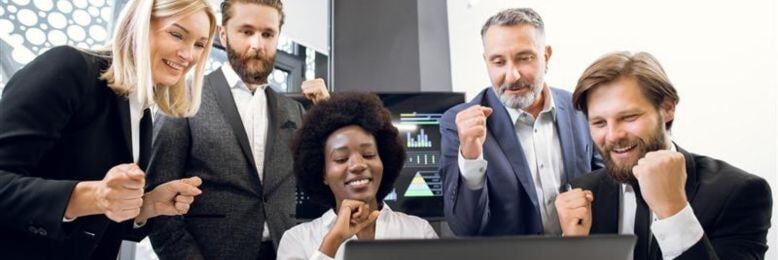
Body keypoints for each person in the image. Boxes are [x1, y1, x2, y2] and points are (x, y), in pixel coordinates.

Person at [0, 0, 217, 258]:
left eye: (199, 45)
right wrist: (95, 196)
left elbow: (100, 225)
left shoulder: (141, 112)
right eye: (177, 34)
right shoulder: (69, 67)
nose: (188, 54)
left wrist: (147, 205)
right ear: (139, 26)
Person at [146, 0, 329, 259]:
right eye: (246, 31)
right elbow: (158, 203)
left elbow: (327, 177)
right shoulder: (182, 96)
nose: (257, 44)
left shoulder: (293, 111)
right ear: (223, 34)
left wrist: (327, 110)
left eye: (267, 34)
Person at [555, 51, 772, 260]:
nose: (613, 136)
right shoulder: (582, 192)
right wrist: (574, 247)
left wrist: (674, 210)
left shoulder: (739, 192)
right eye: (599, 123)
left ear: (668, 108)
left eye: (629, 117)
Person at [439, 8, 600, 236]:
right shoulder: (458, 125)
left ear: (546, 56)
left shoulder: (581, 109)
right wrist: (471, 157)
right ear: (486, 61)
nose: (512, 75)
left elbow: (607, 190)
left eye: (524, 58)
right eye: (498, 62)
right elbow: (466, 228)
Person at [277, 92, 437, 260]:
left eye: (368, 155)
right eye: (341, 159)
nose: (358, 165)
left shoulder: (418, 231)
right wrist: (332, 242)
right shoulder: (297, 240)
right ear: (322, 173)